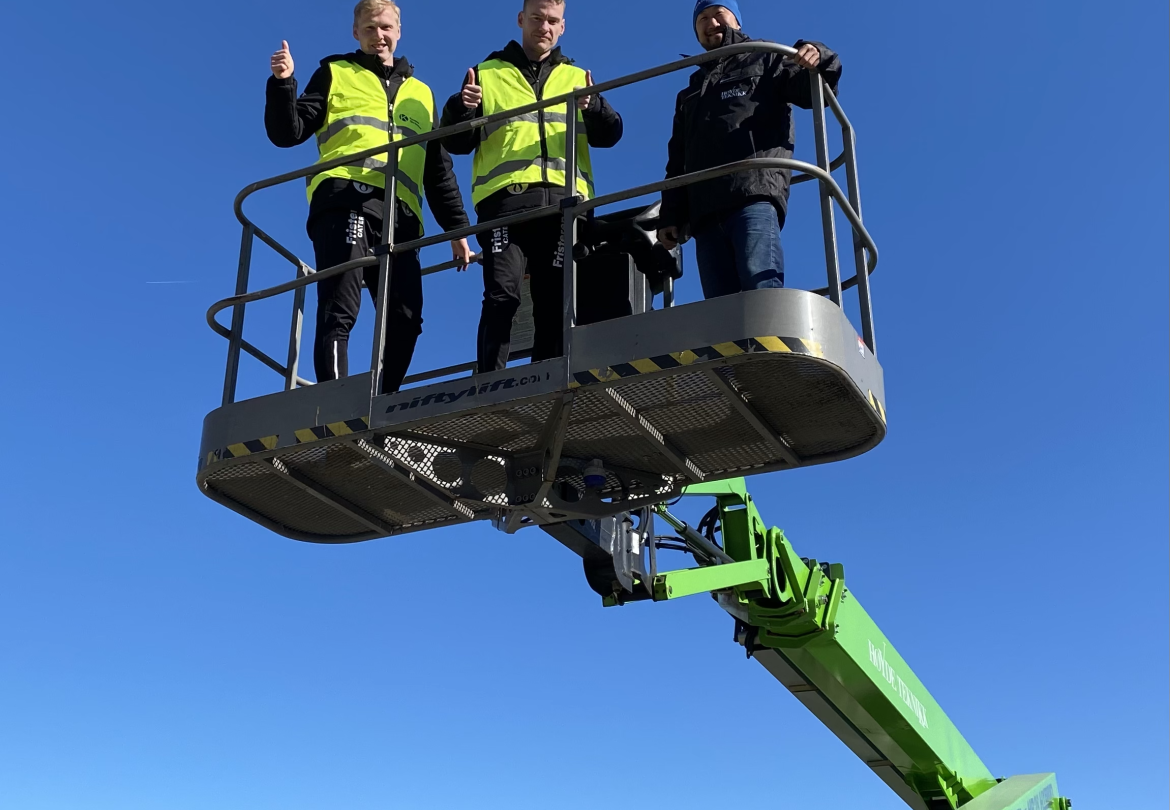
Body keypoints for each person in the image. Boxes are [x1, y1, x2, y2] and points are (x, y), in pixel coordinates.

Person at [265, 0, 474, 394]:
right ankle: (337, 404)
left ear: (399, 32)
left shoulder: (421, 94)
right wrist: (283, 83)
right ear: (356, 33)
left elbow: (438, 171)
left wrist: (458, 231)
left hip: (402, 216)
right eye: (370, 28)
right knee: (340, 309)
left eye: (386, 28)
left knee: (406, 317)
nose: (379, 35)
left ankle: (384, 401)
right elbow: (288, 133)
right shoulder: (334, 73)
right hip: (345, 199)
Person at [439, 0, 624, 373]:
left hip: (564, 206)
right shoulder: (485, 73)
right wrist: (461, 108)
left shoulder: (577, 77)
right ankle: (490, 383)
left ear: (562, 27)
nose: (544, 26)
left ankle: (547, 379)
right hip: (504, 205)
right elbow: (456, 143)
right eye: (537, 18)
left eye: (552, 20)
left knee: (553, 298)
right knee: (501, 296)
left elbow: (611, 135)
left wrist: (595, 107)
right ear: (521, 20)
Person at [656, 0, 842, 299]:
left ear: (737, 21)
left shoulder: (766, 57)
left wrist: (818, 54)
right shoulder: (691, 90)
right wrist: (671, 215)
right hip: (703, 210)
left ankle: (770, 345)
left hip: (752, 195)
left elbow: (810, 91)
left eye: (718, 14)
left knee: (761, 296)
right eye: (702, 18)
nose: (711, 22)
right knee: (721, 313)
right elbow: (678, 156)